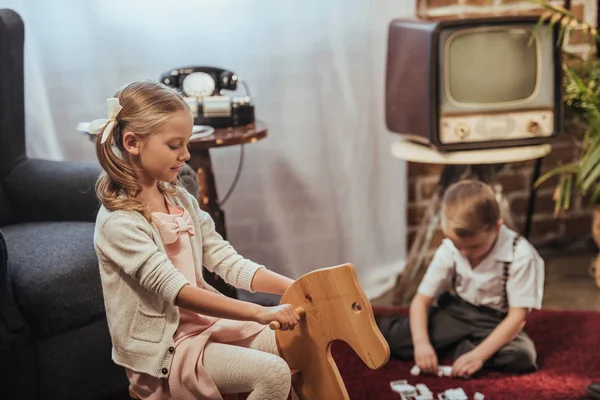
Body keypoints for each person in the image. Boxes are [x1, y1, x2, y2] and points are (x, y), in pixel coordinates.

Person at [91, 80, 300, 400]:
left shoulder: (179, 199)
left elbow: (227, 261)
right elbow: (179, 292)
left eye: (187, 144)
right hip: (168, 352)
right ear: (133, 142)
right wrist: (260, 312)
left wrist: (296, 288)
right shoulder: (118, 224)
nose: (186, 155)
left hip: (206, 328)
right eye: (175, 145)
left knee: (295, 342)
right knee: (272, 373)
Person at [378, 180, 544, 378]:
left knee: (522, 357)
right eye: (458, 246)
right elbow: (421, 301)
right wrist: (422, 344)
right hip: (456, 312)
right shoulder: (449, 248)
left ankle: (456, 347)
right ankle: (455, 344)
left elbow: (517, 318)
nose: (465, 253)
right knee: (390, 338)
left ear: (497, 227)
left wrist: (478, 355)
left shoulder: (521, 255)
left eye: (475, 247)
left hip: (494, 321)